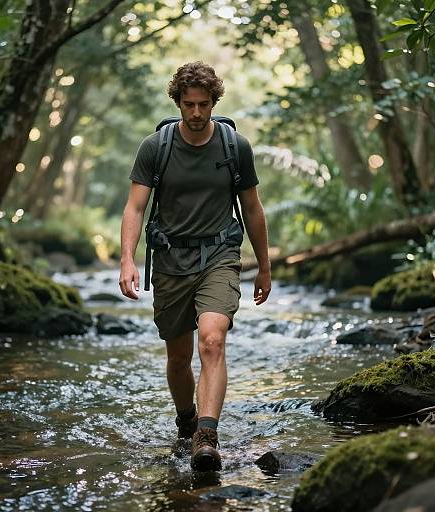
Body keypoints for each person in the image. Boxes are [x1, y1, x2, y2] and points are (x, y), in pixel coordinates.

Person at [119, 61, 271, 471]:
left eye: (204, 104)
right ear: (178, 102)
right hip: (170, 260)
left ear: (214, 101)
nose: (197, 113)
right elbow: (135, 207)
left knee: (212, 340)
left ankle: (206, 434)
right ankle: (186, 420)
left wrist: (264, 266)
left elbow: (253, 210)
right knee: (178, 357)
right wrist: (127, 259)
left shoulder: (234, 146)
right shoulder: (157, 147)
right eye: (189, 104)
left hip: (220, 255)